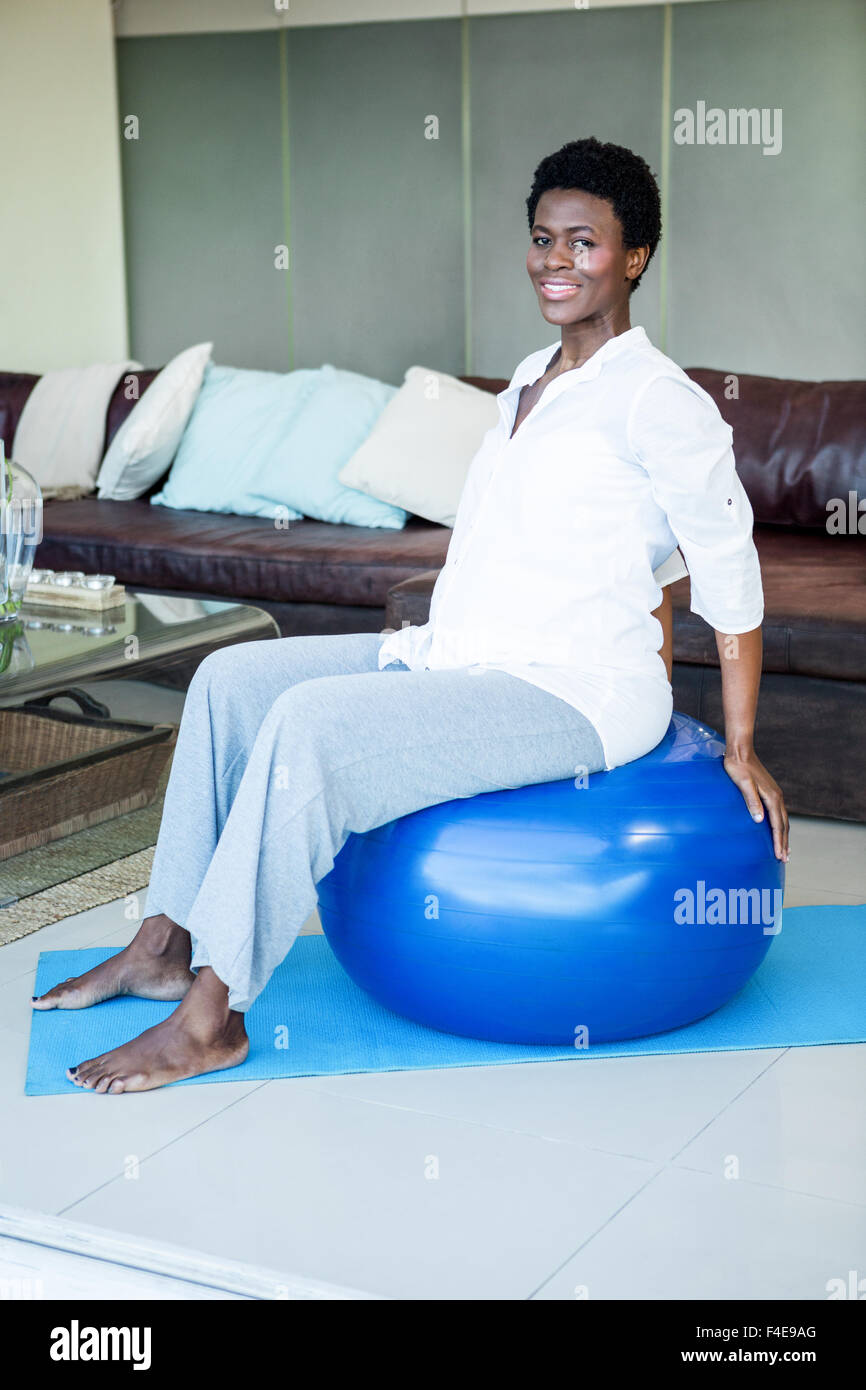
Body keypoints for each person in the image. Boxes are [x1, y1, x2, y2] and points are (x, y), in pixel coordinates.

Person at [33, 136, 789, 1092]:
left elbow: (724, 565)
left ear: (633, 257)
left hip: (571, 690)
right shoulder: (525, 381)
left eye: (584, 242)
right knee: (230, 680)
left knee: (310, 724)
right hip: (461, 653)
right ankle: (161, 941)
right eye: (543, 239)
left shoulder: (660, 399)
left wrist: (742, 741)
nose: (556, 262)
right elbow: (628, 557)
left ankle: (210, 1018)